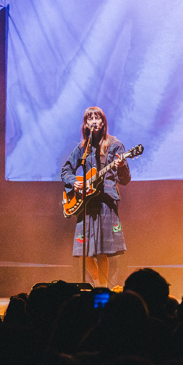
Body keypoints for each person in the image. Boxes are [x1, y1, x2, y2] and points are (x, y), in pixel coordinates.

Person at [61, 106, 130, 288]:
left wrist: (121, 166)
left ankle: (102, 289)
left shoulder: (115, 145)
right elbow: (66, 170)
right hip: (86, 203)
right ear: (85, 124)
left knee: (102, 250)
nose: (93, 120)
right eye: (89, 118)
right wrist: (74, 182)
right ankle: (98, 284)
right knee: (86, 250)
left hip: (106, 201)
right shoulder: (82, 148)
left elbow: (125, 179)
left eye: (97, 117)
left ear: (103, 121)